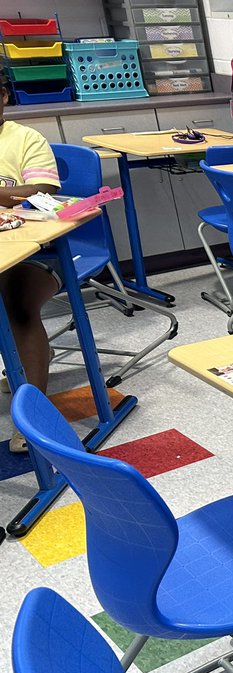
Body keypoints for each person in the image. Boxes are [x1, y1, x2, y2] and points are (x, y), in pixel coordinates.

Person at [0, 73, 62, 453]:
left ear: (3, 95)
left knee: (17, 304)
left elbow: (45, 190)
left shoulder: (24, 139)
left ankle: (34, 413)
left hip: (36, 252)